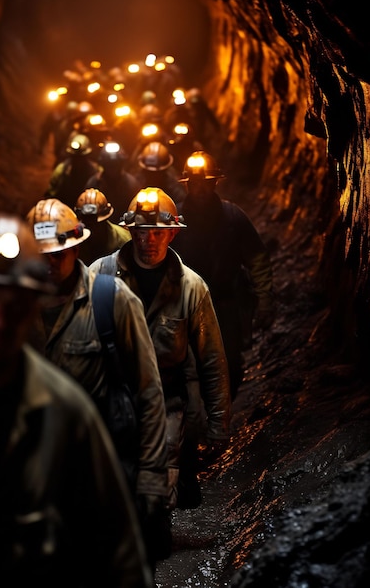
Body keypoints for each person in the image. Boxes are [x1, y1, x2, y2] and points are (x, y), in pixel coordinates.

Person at [0, 213, 154, 587]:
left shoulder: (66, 411)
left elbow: (119, 552)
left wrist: (153, 475)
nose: (0, 321)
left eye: (16, 304)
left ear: (36, 306)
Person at [25, 198, 171, 570]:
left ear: (75, 247)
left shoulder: (112, 300)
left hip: (104, 474)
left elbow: (149, 392)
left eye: (56, 255)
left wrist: (152, 477)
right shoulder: (14, 310)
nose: (46, 264)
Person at [89, 187, 231, 511]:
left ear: (172, 234)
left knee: (161, 476)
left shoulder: (191, 286)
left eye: (156, 232)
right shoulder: (100, 276)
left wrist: (218, 426)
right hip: (115, 393)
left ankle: (155, 530)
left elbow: (212, 358)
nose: (147, 240)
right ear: (130, 231)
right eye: (140, 231)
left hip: (169, 400)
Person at [171, 150, 275, 401]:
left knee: (230, 364)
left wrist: (264, 301)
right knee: (186, 366)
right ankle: (196, 422)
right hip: (185, 306)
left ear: (215, 182)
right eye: (194, 184)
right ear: (187, 185)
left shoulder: (232, 216)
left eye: (205, 183)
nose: (200, 189)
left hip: (226, 305)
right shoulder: (175, 219)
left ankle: (221, 418)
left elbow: (257, 259)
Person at [85, 139, 142, 221]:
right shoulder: (94, 184)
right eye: (109, 165)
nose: (112, 169)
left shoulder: (131, 184)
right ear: (103, 164)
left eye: (115, 165)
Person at [74, 187, 131, 265]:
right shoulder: (73, 243)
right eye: (88, 225)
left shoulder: (125, 241)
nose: (92, 230)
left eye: (97, 225)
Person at [44, 133, 102, 209]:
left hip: (89, 212)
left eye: (81, 157)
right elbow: (51, 195)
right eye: (75, 157)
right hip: (65, 211)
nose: (78, 161)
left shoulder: (97, 172)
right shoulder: (61, 170)